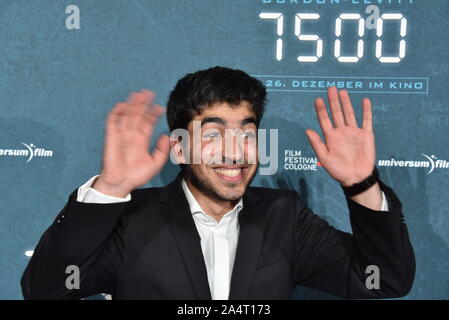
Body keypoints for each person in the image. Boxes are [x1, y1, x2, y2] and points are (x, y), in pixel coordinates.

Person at [21, 66, 415, 300]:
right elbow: (48, 288)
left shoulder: (284, 217)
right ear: (179, 148)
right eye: (212, 135)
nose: (235, 152)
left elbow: (381, 280)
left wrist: (362, 184)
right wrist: (109, 189)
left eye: (246, 133)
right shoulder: (132, 219)